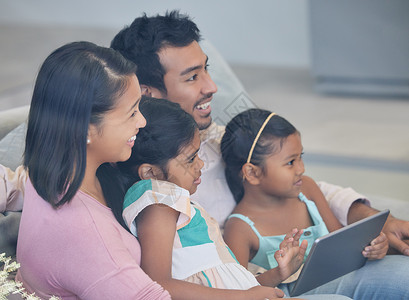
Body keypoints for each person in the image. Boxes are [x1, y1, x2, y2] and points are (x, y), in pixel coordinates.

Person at [110, 10, 409, 256]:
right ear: (147, 93)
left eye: (206, 70)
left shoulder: (218, 139)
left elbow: (296, 181)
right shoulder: (137, 175)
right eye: (192, 77)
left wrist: (368, 217)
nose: (211, 87)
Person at [114, 96, 350, 300]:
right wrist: (245, 296)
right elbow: (158, 284)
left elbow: (234, 284)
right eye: (190, 159)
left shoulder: (177, 205)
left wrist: (279, 273)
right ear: (150, 173)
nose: (201, 165)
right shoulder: (158, 202)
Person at [15, 41, 171, 299]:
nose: (142, 121)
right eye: (131, 113)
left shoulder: (48, 171)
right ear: (85, 129)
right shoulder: (85, 234)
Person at [220, 108, 409, 299]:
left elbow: (340, 240)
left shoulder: (306, 189)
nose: (301, 168)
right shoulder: (240, 228)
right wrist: (279, 272)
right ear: (252, 173)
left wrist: (373, 247)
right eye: (290, 162)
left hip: (342, 275)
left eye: (300, 157)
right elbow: (241, 290)